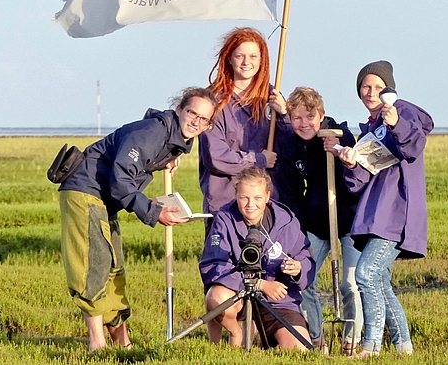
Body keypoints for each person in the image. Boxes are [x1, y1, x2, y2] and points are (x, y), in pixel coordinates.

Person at [57, 87, 217, 352]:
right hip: (84, 191)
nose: (196, 122)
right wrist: (154, 212)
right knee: (93, 265)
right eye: (192, 113)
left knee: (114, 267)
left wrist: (167, 158)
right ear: (179, 110)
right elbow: (119, 179)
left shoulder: (173, 139)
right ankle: (97, 345)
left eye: (204, 119)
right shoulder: (152, 132)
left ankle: (124, 344)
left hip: (104, 200)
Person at [336, 60, 434, 358]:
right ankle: (404, 348)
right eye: (365, 86)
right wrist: (349, 163)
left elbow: (414, 146)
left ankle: (371, 347)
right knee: (379, 280)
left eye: (378, 86)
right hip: (375, 213)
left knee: (365, 274)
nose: (370, 92)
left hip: (397, 211)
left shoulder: (403, 112)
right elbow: (358, 183)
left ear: (389, 90)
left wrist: (396, 124)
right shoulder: (369, 129)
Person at [272, 87, 362, 354]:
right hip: (315, 221)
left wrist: (338, 149)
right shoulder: (290, 145)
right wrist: (297, 227)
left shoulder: (338, 134)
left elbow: (356, 173)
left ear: (321, 116)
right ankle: (315, 336)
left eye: (309, 117)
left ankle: (352, 341)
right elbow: (290, 192)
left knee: (350, 284)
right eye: (296, 118)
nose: (304, 124)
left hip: (349, 220)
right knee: (303, 279)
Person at [199, 167, 315, 350]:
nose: (250, 204)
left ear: (268, 196)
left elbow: (306, 258)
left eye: (258, 198)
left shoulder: (286, 221)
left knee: (299, 352)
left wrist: (298, 268)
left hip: (277, 301)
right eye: (244, 197)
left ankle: (267, 339)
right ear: (236, 195)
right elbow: (213, 266)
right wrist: (258, 284)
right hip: (238, 295)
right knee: (216, 297)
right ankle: (236, 334)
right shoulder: (224, 219)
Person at [198, 27, 286, 230]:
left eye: (253, 56)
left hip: (265, 205)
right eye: (240, 55)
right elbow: (216, 157)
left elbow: (290, 145)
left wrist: (284, 115)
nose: (247, 62)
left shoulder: (273, 97)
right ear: (229, 58)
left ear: (262, 60)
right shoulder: (213, 102)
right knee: (222, 262)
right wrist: (259, 159)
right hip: (225, 205)